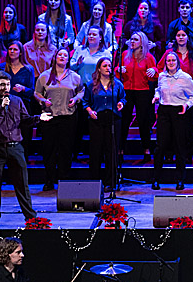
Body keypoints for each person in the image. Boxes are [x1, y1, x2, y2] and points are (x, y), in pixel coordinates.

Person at [0, 70, 51, 227]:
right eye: (2, 85)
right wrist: (0, 107)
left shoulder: (17, 101)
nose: (6, 87)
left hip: (16, 146)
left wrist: (38, 118)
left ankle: (31, 218)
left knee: (22, 184)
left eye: (8, 84)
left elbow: (25, 120)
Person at [34, 47, 85, 191]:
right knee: (49, 149)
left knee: (66, 149)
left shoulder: (75, 76)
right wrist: (43, 100)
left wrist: (76, 99)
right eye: (60, 55)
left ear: (68, 59)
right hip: (50, 117)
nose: (62, 57)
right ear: (55, 57)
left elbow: (81, 91)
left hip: (67, 117)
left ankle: (64, 179)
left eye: (65, 55)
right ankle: (49, 179)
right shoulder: (45, 76)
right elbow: (37, 92)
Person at [151, 50, 193, 190]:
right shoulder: (161, 76)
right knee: (160, 146)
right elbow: (159, 90)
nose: (170, 63)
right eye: (168, 61)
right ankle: (156, 179)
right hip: (164, 111)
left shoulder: (185, 78)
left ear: (178, 62)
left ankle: (180, 179)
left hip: (179, 111)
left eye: (173, 61)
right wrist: (156, 96)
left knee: (180, 146)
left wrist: (186, 105)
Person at [157, 28, 193, 164]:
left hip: (189, 95)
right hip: (172, 94)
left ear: (188, 37)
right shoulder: (169, 53)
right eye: (178, 35)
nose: (181, 37)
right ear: (175, 38)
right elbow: (160, 68)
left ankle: (187, 154)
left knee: (189, 126)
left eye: (183, 35)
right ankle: (170, 153)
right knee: (171, 127)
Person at [81, 57, 127, 191]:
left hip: (113, 119)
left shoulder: (117, 84)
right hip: (97, 119)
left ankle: (110, 182)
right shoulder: (91, 85)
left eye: (110, 66)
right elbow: (85, 101)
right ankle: (95, 181)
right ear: (99, 68)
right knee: (96, 150)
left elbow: (123, 97)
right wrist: (90, 111)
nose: (108, 68)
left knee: (111, 150)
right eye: (105, 66)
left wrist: (121, 103)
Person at [116, 31, 158, 164]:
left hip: (143, 91)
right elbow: (117, 72)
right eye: (131, 39)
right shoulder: (124, 55)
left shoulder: (149, 57)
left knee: (143, 121)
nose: (132, 41)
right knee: (124, 121)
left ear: (142, 43)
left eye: (135, 39)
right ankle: (120, 150)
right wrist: (118, 69)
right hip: (127, 91)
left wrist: (154, 71)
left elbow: (155, 75)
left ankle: (146, 149)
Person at [0, 41, 37, 145]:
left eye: (15, 49)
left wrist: (23, 89)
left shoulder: (28, 69)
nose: (12, 51)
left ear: (20, 52)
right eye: (10, 49)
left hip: (22, 106)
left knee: (24, 136)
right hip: (6, 106)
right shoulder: (2, 68)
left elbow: (32, 91)